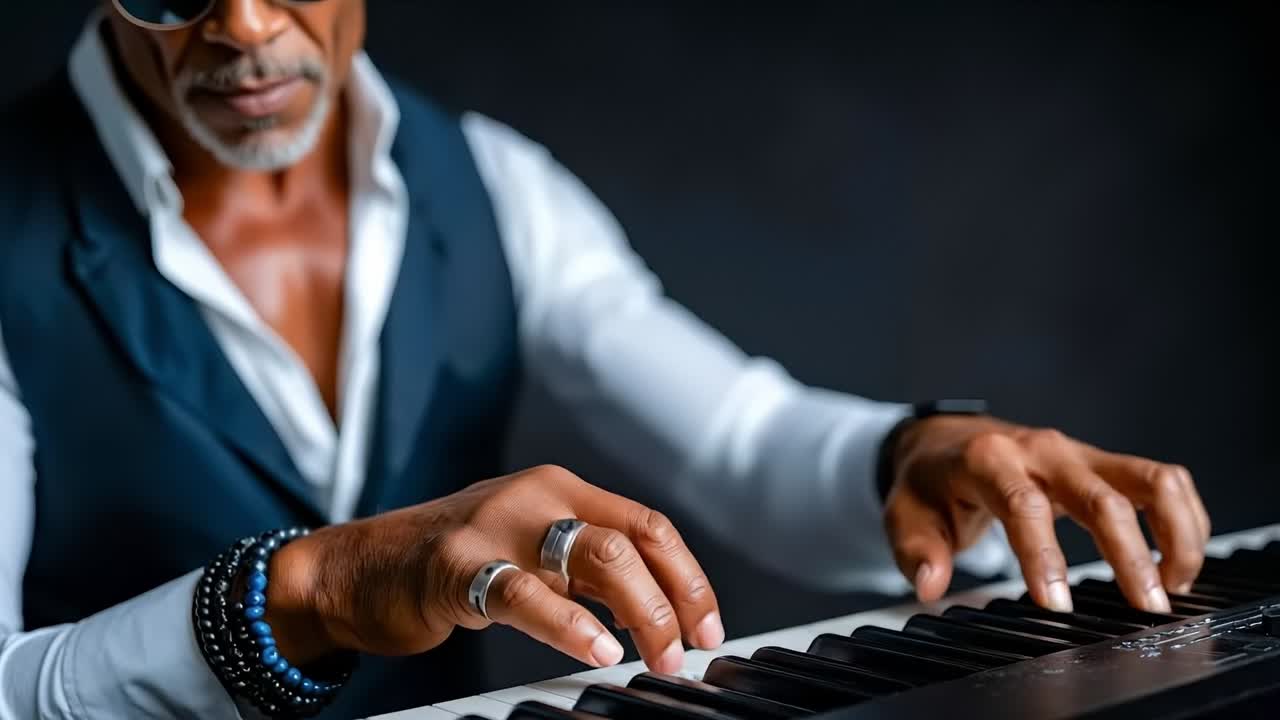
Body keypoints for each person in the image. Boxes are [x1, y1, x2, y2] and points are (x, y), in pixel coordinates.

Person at [0, 1, 1211, 718]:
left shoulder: (489, 180)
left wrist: (915, 453)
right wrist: (315, 589)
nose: (249, 26)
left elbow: (740, 440)